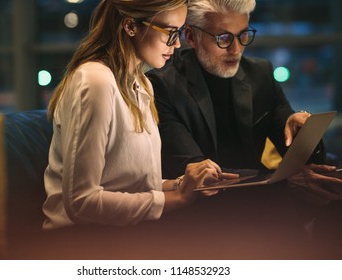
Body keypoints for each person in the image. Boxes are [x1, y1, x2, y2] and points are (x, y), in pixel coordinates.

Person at [147, 0, 342, 257]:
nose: (236, 49)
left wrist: (305, 133)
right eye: (223, 37)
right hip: (200, 218)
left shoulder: (260, 74)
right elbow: (198, 175)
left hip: (262, 207)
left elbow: (295, 153)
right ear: (191, 36)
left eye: (243, 35)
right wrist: (285, 184)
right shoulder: (162, 85)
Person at [42, 0, 227, 234]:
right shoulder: (95, 81)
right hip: (79, 241)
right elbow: (82, 203)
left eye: (178, 33)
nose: (177, 44)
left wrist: (185, 183)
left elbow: (133, 188)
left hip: (124, 235)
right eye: (170, 33)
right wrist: (179, 198)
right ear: (130, 26)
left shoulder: (142, 85)